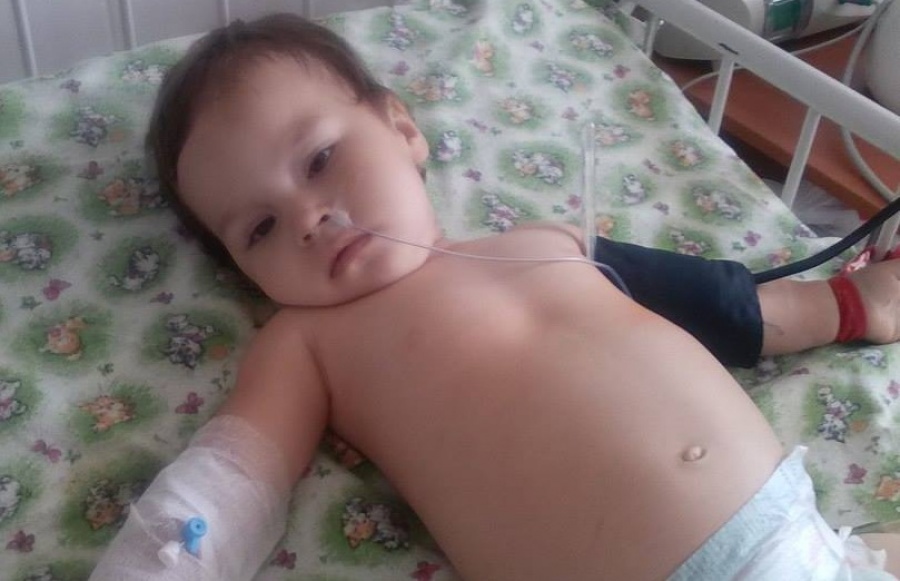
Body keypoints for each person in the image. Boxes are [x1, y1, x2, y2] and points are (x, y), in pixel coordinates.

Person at [91, 14, 900, 580]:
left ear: (402, 129)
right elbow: (227, 487)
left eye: (320, 159)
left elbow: (716, 305)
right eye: (261, 228)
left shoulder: (544, 241)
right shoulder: (310, 343)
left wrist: (848, 305)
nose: (308, 217)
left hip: (804, 542)